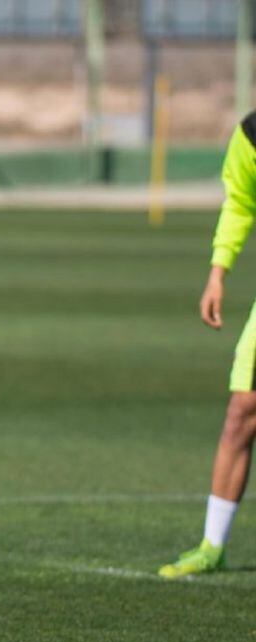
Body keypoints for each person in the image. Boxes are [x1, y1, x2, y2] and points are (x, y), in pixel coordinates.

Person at [159, 113, 256, 579]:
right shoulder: (251, 134)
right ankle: (212, 545)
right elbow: (240, 203)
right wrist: (219, 271)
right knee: (243, 410)